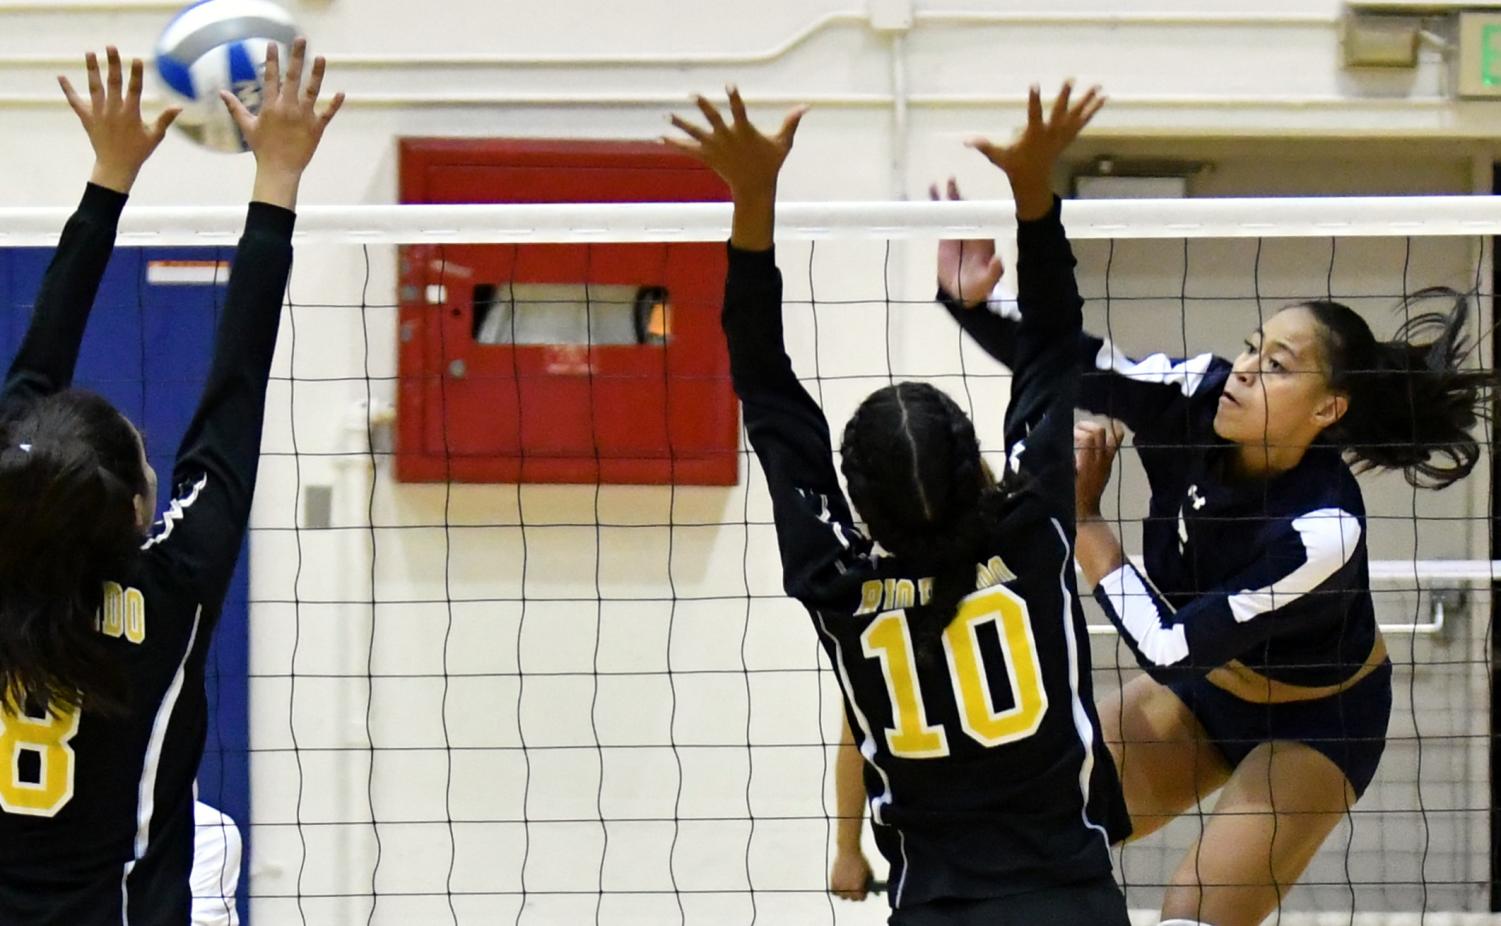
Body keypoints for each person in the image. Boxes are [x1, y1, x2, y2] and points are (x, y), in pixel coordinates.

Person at [923, 181, 1492, 924]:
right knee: (1026, 826)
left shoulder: (1321, 530)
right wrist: (973, 306)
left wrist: (1087, 520)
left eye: (1278, 365)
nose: (1247, 368)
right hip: (1209, 692)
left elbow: (1167, 648)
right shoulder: (1194, 392)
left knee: (1193, 914)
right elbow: (1074, 363)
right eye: (1253, 346)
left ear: (1328, 410)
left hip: (1318, 720)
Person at [666, 82, 1130, 924]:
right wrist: (1034, 192)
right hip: (1072, 904)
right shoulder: (1036, 536)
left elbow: (767, 395)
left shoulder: (836, 579)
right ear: (977, 463)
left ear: (855, 500)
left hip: (934, 907)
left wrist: (753, 202)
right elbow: (1052, 350)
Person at [0, 40, 342, 924]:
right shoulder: (173, 596)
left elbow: (31, 388)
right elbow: (236, 392)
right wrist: (276, 185)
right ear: (138, 508)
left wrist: (109, 178)